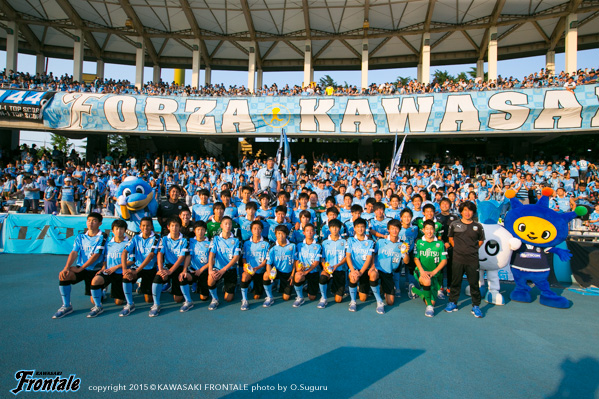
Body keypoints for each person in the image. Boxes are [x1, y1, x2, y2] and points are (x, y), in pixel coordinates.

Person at [53, 212, 107, 319]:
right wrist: (66, 267)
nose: (91, 223)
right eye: (89, 220)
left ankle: (101, 293)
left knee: (94, 300)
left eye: (94, 221)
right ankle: (66, 306)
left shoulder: (102, 237)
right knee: (64, 275)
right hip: (81, 268)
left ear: (100, 223)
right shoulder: (81, 236)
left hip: (95, 270)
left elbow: (96, 256)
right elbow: (74, 252)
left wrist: (80, 269)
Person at [445, 201, 485, 318]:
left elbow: (481, 241)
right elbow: (451, 238)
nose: (467, 213)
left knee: (474, 284)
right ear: (461, 212)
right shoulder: (455, 224)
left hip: (472, 259)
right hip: (457, 258)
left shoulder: (478, 226)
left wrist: (472, 249)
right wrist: (458, 248)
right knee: (455, 282)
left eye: (470, 210)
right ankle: (453, 303)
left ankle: (476, 306)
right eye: (465, 210)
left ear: (473, 212)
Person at [87, 219, 132, 317]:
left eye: (121, 229)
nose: (119, 231)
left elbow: (131, 261)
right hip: (108, 271)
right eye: (116, 229)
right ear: (112, 230)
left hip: (121, 273)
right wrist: (103, 267)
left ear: (125, 230)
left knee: (118, 302)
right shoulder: (108, 243)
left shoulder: (129, 243)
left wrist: (116, 267)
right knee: (95, 284)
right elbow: (105, 257)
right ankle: (99, 305)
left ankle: (130, 287)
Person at [120, 217, 161, 316]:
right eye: (143, 225)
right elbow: (124, 252)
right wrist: (124, 269)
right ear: (140, 227)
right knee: (126, 277)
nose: (145, 228)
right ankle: (130, 304)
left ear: (151, 226)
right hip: (137, 268)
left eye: (148, 225)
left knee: (148, 300)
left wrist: (137, 271)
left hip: (150, 269)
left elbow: (151, 256)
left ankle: (154, 301)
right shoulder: (136, 237)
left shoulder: (156, 238)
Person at [150, 216, 188, 317]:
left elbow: (181, 257)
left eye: (176, 226)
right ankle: (156, 304)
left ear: (180, 227)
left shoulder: (184, 240)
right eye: (172, 226)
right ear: (168, 227)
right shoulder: (164, 239)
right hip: (167, 266)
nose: (174, 228)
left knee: (178, 299)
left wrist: (170, 271)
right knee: (159, 276)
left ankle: (173, 287)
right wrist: (161, 269)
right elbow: (159, 254)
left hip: (178, 267)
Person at [370, 219, 410, 314]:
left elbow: (406, 261)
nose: (394, 231)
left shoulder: (402, 244)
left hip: (389, 272)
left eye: (396, 228)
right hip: (378, 270)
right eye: (392, 228)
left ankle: (382, 287)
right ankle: (379, 301)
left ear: (399, 230)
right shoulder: (380, 241)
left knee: (390, 302)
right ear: (388, 230)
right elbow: (372, 254)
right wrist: (372, 266)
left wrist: (405, 253)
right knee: (372, 274)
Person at [412, 220, 448, 317]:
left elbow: (444, 261)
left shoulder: (440, 243)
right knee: (427, 284)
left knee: (432, 300)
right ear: (423, 230)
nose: (429, 231)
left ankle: (414, 290)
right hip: (421, 272)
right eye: (427, 229)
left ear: (434, 230)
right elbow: (416, 258)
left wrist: (434, 272)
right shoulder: (419, 242)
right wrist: (422, 271)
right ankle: (429, 308)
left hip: (435, 274)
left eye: (431, 229)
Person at [207, 216, 241, 310]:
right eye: (225, 223)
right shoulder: (216, 239)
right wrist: (210, 270)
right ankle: (214, 299)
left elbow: (236, 257)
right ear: (221, 225)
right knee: (210, 278)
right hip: (218, 268)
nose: (228, 226)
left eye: (230, 224)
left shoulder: (236, 239)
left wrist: (223, 270)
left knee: (228, 299)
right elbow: (211, 255)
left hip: (230, 270)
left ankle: (226, 286)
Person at [178, 220, 211, 312]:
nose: (200, 232)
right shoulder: (190, 241)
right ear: (194, 231)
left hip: (204, 271)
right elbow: (188, 256)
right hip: (193, 270)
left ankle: (200, 286)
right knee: (183, 277)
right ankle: (188, 301)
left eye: (202, 230)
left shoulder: (210, 243)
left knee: (204, 298)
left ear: (205, 231)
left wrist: (201, 270)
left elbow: (212, 260)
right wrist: (184, 270)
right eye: (198, 230)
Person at [262, 224, 296, 307]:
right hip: (276, 272)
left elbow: (295, 262)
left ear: (286, 234)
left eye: (283, 233)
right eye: (278, 233)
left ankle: (280, 285)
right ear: (275, 235)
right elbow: (268, 264)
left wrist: (292, 275)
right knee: (266, 275)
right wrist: (270, 274)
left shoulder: (292, 245)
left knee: (286, 298)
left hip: (288, 273)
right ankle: (269, 297)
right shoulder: (272, 247)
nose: (281, 236)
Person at [346, 218, 375, 312]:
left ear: (365, 228)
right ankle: (353, 301)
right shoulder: (350, 240)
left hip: (364, 270)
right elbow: (348, 256)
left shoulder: (370, 241)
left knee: (363, 298)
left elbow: (369, 259)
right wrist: (353, 270)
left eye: (362, 227)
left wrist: (361, 272)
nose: (360, 229)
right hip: (354, 269)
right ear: (354, 228)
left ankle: (360, 287)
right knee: (353, 277)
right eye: (358, 227)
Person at [240, 220, 269, 310]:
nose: (257, 231)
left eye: (259, 229)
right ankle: (244, 300)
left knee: (257, 297)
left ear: (261, 230)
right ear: (251, 230)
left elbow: (266, 260)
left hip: (259, 271)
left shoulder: (266, 243)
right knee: (244, 276)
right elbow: (243, 257)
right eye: (254, 229)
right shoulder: (246, 243)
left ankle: (253, 286)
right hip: (249, 271)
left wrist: (258, 268)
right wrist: (245, 266)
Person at [319, 219, 347, 308]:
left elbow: (347, 257)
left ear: (340, 229)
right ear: (329, 229)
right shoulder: (324, 242)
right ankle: (323, 298)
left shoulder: (345, 242)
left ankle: (334, 289)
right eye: (332, 227)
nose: (334, 230)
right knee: (322, 277)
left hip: (340, 270)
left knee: (338, 300)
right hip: (328, 270)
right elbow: (322, 257)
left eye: (336, 228)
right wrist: (324, 267)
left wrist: (337, 265)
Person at [293, 223, 322, 307]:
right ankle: (300, 297)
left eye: (311, 231)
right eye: (307, 231)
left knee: (312, 297)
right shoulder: (299, 245)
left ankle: (307, 286)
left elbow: (316, 262)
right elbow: (297, 259)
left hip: (313, 272)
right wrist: (299, 269)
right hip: (302, 271)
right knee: (297, 276)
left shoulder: (318, 246)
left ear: (314, 233)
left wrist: (307, 271)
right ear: (303, 233)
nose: (309, 232)